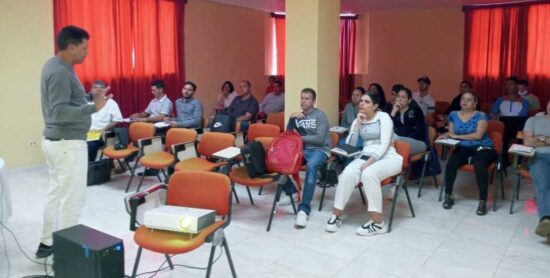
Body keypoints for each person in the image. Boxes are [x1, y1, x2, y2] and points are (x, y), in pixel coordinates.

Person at [38, 25, 109, 258]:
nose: (87, 53)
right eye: (84, 48)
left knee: (57, 194)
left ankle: (48, 243)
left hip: (58, 141)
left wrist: (90, 97)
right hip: (68, 144)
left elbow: (68, 99)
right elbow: (59, 111)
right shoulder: (60, 72)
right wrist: (92, 107)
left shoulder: (56, 65)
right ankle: (67, 252)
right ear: (71, 47)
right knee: (72, 200)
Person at [325, 91, 403, 235]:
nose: (362, 103)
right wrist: (357, 125)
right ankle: (336, 215)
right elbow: (350, 144)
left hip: (388, 157)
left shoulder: (383, 117)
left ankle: (378, 223)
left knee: (368, 174)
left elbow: (385, 144)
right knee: (347, 173)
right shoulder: (358, 119)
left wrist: (370, 162)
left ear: (375, 106)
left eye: (366, 101)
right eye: (361, 101)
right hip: (365, 155)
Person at [280, 88, 331, 228]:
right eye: (302, 98)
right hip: (303, 150)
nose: (303, 101)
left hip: (320, 150)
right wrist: (291, 118)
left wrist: (299, 139)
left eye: (307, 98)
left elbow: (320, 139)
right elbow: (288, 134)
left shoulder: (320, 116)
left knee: (311, 166)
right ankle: (292, 191)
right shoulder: (298, 116)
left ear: (313, 101)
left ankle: (303, 209)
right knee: (281, 160)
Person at [439, 91, 496, 216]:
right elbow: (452, 133)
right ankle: (448, 195)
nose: (465, 101)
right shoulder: (453, 114)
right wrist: (447, 137)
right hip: (463, 147)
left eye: (469, 99)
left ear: (475, 103)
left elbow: (478, 136)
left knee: (479, 164)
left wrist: (455, 136)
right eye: (463, 99)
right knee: (452, 162)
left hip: (483, 146)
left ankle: (483, 200)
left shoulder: (481, 115)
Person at [522, 101, 550, 240]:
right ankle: (546, 219)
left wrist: (540, 137)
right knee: (544, 185)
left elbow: (533, 140)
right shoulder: (533, 120)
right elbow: (528, 142)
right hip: (539, 157)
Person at [87, 80, 122, 162]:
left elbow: (117, 120)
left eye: (101, 88)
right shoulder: (86, 102)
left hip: (100, 134)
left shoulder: (111, 103)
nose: (98, 90)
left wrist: (104, 129)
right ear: (91, 89)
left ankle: (90, 166)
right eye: (95, 88)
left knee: (90, 144)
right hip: (84, 132)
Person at [390, 87, 427, 155]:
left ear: (409, 100)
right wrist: (393, 112)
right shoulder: (395, 111)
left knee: (396, 142)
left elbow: (419, 130)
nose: (399, 99)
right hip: (399, 140)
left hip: (418, 141)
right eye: (398, 96)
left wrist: (404, 138)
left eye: (403, 97)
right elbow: (388, 127)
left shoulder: (415, 110)